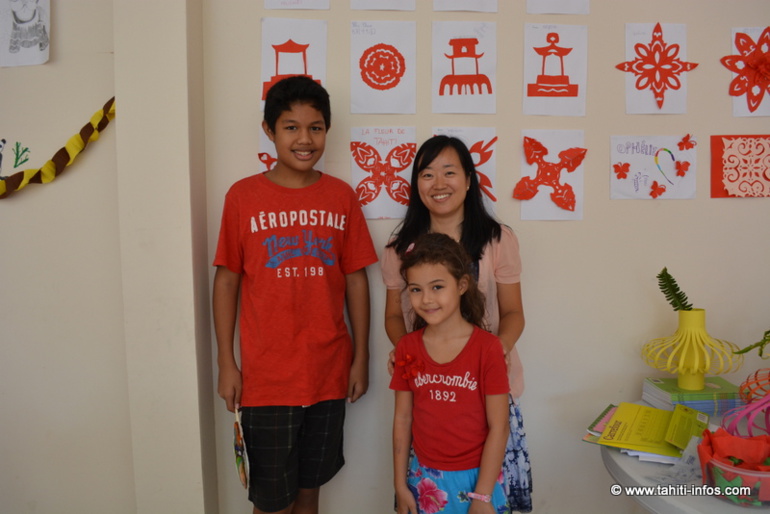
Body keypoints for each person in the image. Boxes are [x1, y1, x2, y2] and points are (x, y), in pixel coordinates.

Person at [213, 75, 378, 514]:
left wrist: (361, 356)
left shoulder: (342, 197)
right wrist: (226, 360)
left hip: (328, 372)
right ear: (269, 130)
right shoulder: (243, 197)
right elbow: (227, 280)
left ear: (327, 131)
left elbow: (357, 281)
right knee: (272, 502)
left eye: (316, 127)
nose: (305, 139)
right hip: (267, 380)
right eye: (291, 127)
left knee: (310, 492)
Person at [381, 135, 532, 512]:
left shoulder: (498, 239)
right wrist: (408, 354)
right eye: (427, 174)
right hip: (430, 390)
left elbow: (514, 312)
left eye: (449, 172)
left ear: (468, 179)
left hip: (486, 386)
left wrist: (492, 354)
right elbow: (394, 316)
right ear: (417, 185)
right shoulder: (399, 249)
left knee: (489, 496)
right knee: (428, 492)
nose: (439, 183)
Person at [391, 233, 511, 514]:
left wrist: (482, 498)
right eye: (416, 289)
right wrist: (399, 485)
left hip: (478, 480)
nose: (426, 299)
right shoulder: (407, 347)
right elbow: (402, 418)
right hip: (423, 480)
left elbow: (499, 427)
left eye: (437, 287)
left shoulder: (488, 348)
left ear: (462, 285)